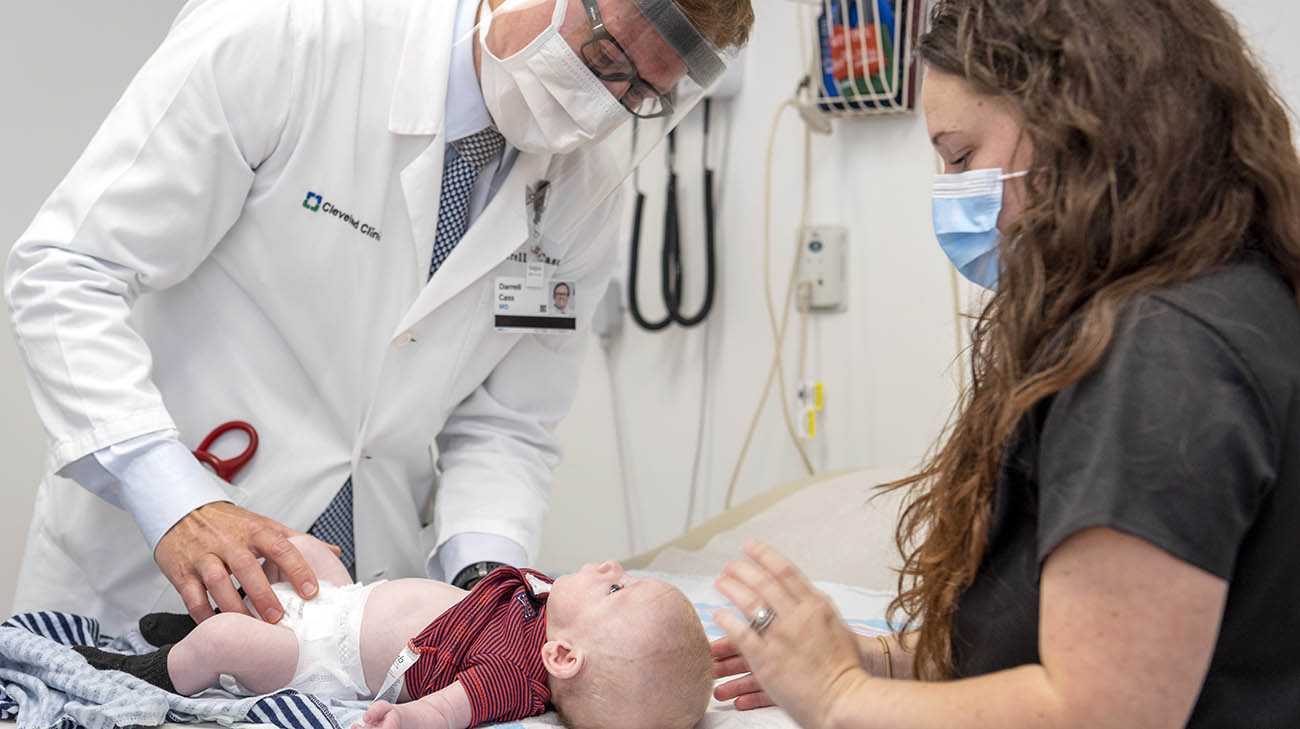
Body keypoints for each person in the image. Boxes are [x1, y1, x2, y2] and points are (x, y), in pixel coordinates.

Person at [4, 0, 754, 635]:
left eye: (637, 95)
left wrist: (485, 580)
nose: (601, 104)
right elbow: (67, 271)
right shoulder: (288, 34)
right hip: (146, 561)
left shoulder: (583, 189)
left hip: (359, 599)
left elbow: (507, 423)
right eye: (602, 56)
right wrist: (172, 495)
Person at [709, 1, 1300, 727]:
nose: (953, 192)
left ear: (1074, 119)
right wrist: (882, 661)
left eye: (960, 156)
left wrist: (839, 696)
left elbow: (1102, 709)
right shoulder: (1222, 298)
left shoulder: (1163, 353)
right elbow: (1079, 628)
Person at [75, 536, 712, 729]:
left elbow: (449, 708)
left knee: (227, 650)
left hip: (322, 656)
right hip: (344, 599)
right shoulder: (542, 601)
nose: (610, 564)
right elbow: (648, 655)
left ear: (565, 656)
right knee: (299, 551)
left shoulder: (515, 676)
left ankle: (152, 667)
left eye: (616, 590)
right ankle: (197, 622)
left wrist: (406, 722)